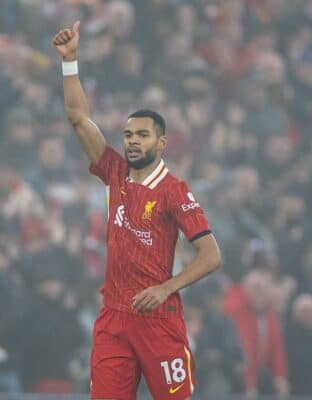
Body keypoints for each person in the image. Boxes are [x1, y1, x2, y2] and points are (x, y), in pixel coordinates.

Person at [53, 21, 222, 400]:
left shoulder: (175, 191)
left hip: (158, 321)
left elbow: (211, 256)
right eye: (128, 134)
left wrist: (166, 288)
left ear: (161, 142)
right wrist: (70, 63)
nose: (131, 141)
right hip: (113, 318)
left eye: (142, 135)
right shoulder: (114, 172)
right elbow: (79, 118)